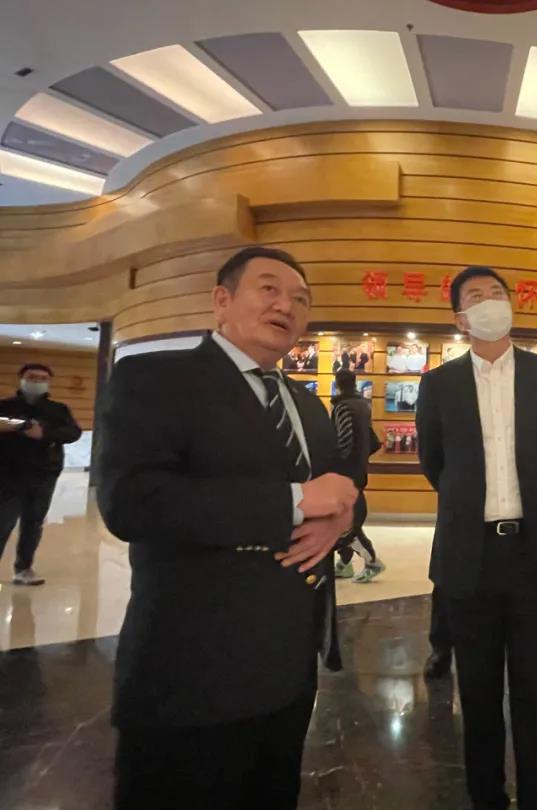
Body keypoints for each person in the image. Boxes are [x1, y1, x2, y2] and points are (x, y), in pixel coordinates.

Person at [97, 245, 358, 810]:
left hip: (289, 668)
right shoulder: (156, 379)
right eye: (269, 289)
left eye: (301, 299)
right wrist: (293, 501)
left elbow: (339, 488)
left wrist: (342, 517)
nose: (286, 305)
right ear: (221, 300)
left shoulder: (306, 404)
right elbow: (132, 502)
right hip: (193, 673)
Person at [416, 265, 537, 810]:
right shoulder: (439, 384)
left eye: (496, 293)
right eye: (475, 296)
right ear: (461, 318)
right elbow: (434, 463)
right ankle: (486, 797)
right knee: (478, 693)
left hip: (534, 551)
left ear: (511, 304)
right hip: (470, 555)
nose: (489, 301)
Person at [0, 363, 82, 585]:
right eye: (32, 377)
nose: (37, 381)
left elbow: (73, 432)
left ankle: (23, 569)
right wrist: (16, 426)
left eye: (42, 378)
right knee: (3, 522)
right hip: (7, 475)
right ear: (21, 379)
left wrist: (44, 433)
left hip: (43, 475)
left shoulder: (58, 409)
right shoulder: (5, 406)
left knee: (33, 524)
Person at [331, 369, 387, 583]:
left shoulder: (342, 406)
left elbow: (342, 443)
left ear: (337, 384)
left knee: (346, 524)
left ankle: (372, 562)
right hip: (359, 472)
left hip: (345, 475)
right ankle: (344, 563)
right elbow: (373, 442)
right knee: (347, 519)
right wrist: (361, 459)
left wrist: (333, 466)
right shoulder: (363, 405)